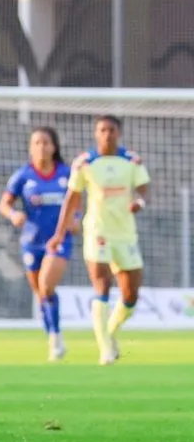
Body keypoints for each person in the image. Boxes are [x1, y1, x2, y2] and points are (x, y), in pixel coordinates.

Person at [47, 115, 150, 365]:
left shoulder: (131, 160)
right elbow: (72, 198)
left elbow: (144, 187)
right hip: (97, 232)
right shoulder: (84, 163)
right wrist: (59, 233)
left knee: (130, 295)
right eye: (102, 130)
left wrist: (140, 202)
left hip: (125, 234)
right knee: (102, 286)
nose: (107, 134)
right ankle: (104, 349)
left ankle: (111, 333)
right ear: (96, 134)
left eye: (111, 130)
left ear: (119, 133)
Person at [0, 127, 76, 361]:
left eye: (45, 142)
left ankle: (55, 337)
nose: (41, 147)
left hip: (58, 240)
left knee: (46, 285)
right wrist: (13, 215)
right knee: (41, 292)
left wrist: (77, 220)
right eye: (36, 143)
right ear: (31, 148)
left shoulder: (67, 174)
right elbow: (4, 204)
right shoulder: (23, 176)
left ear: (54, 147)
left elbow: (77, 203)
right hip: (31, 241)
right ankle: (54, 336)